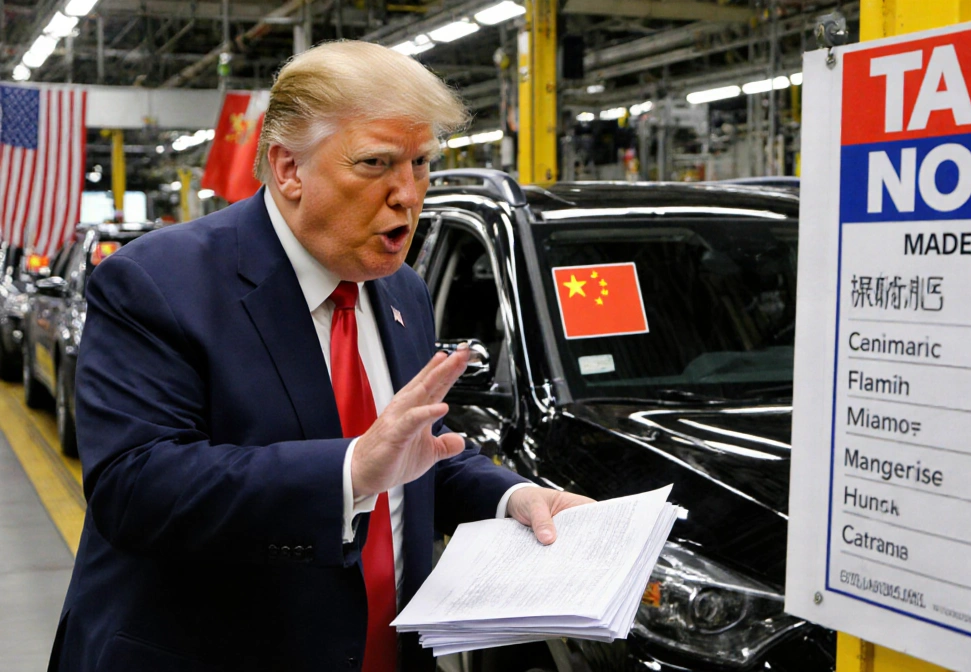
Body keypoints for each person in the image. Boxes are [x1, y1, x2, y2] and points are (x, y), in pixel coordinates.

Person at [49, 40, 591, 672]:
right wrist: (351, 469)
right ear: (289, 170)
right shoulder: (159, 283)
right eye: (375, 163)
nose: (407, 194)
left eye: (420, 163)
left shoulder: (402, 292)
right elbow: (135, 488)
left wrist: (508, 498)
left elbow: (414, 452)